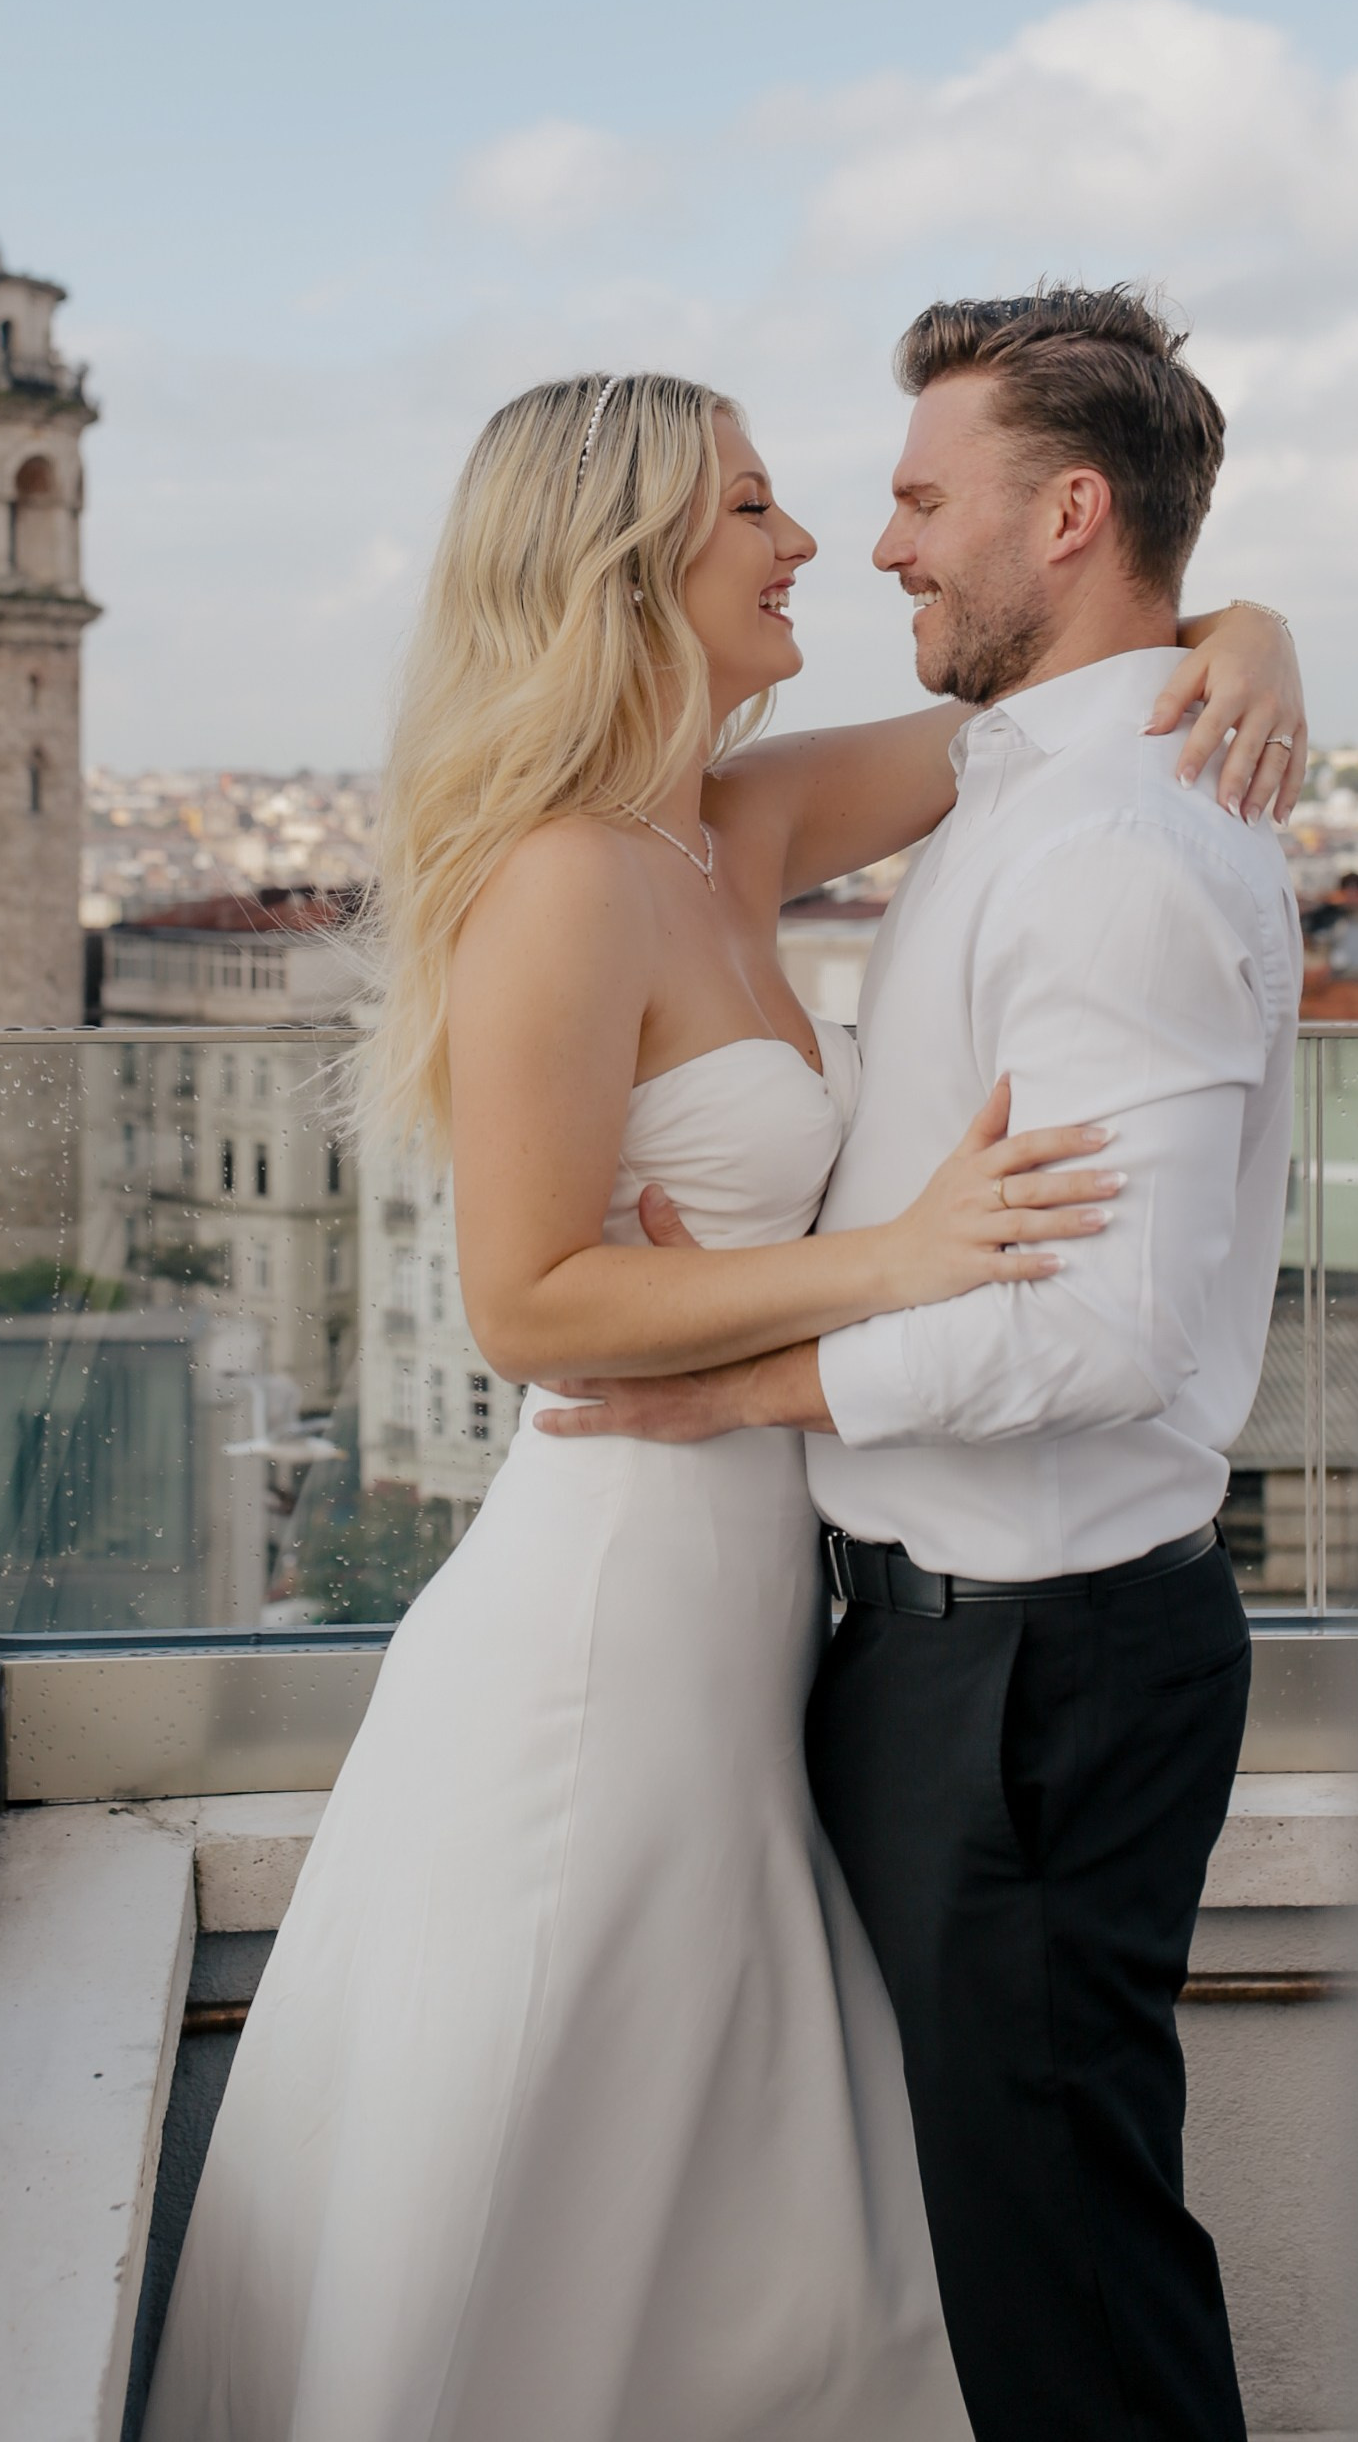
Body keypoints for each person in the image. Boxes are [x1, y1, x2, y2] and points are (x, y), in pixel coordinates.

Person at [142, 345, 1304, 2442]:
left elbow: (1037, 717)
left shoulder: (729, 822)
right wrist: (892, 1258)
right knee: (554, 2142)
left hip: (773, 1596)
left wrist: (1244, 625)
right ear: (626, 558)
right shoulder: (571, 873)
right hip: (617, 1600)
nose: (815, 545)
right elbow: (526, 1299)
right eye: (757, 505)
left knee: (721, 2166)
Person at [547, 292, 1303, 2442]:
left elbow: (1102, 1325)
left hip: (1031, 1679)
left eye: (910, 497)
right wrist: (1248, 623)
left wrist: (741, 1385)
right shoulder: (1028, 777)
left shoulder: (1111, 842)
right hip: (963, 1656)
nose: (873, 545)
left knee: (1059, 2277)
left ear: (1067, 515)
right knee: (1003, 2238)